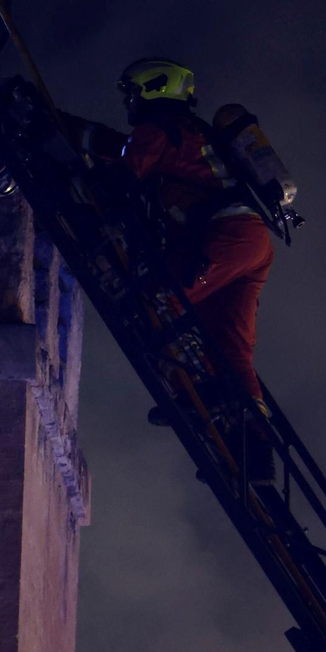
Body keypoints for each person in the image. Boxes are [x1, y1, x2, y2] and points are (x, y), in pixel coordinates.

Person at [78, 58, 276, 421]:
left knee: (160, 303)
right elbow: (121, 148)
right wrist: (78, 132)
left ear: (154, 88)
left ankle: (196, 392)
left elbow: (123, 175)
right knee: (230, 346)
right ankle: (257, 436)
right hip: (252, 241)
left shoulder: (156, 130)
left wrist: (92, 199)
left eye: (132, 93)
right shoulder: (191, 134)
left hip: (225, 235)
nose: (128, 102)